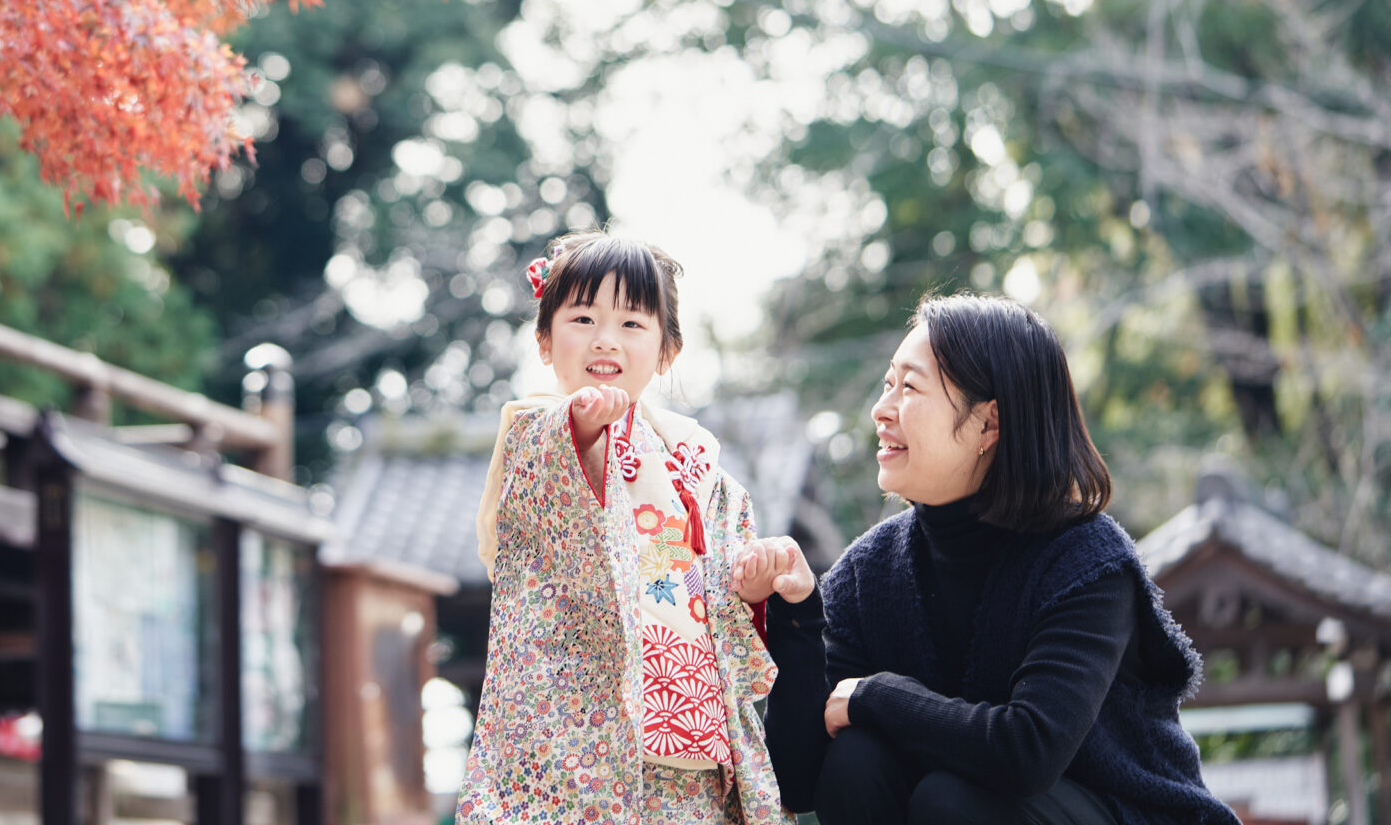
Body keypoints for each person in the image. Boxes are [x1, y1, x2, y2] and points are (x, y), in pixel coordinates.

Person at [801, 292, 1238, 825]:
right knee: (855, 762)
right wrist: (796, 616)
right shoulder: (867, 573)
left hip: (1131, 813)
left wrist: (878, 696)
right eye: (888, 383)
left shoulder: (1087, 559)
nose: (881, 409)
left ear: (989, 424)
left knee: (950, 802)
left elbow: (1028, 751)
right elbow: (800, 779)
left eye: (909, 387)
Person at [460, 231, 821, 825]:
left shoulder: (703, 471)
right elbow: (537, 525)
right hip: (574, 739)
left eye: (632, 323)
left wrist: (751, 586)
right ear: (545, 341)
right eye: (582, 318)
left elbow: (721, 594)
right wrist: (578, 438)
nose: (605, 339)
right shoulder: (537, 434)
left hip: (688, 732)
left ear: (666, 351)